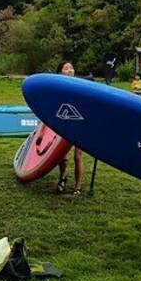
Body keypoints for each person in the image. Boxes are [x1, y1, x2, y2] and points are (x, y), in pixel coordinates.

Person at [55, 61, 85, 196]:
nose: (70, 70)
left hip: (79, 126)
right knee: (62, 156)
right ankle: (62, 177)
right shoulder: (56, 88)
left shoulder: (81, 87)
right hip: (64, 126)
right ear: (60, 72)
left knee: (78, 157)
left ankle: (77, 187)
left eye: (72, 68)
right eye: (66, 68)